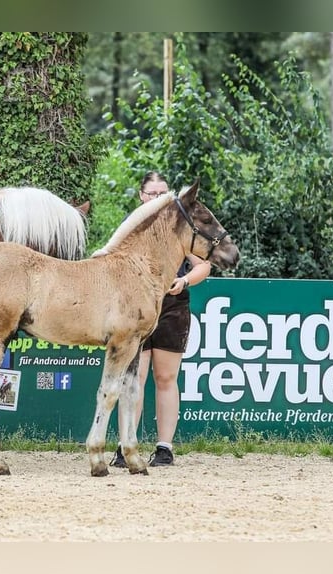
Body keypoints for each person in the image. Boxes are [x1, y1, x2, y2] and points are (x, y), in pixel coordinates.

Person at [111, 171, 212, 468]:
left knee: (166, 378)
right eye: (152, 193)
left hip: (173, 304)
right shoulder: (132, 227)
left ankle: (164, 448)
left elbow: (203, 265)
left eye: (163, 193)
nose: (157, 199)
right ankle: (125, 444)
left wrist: (185, 282)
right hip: (135, 307)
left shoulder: (180, 227)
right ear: (142, 196)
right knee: (134, 378)